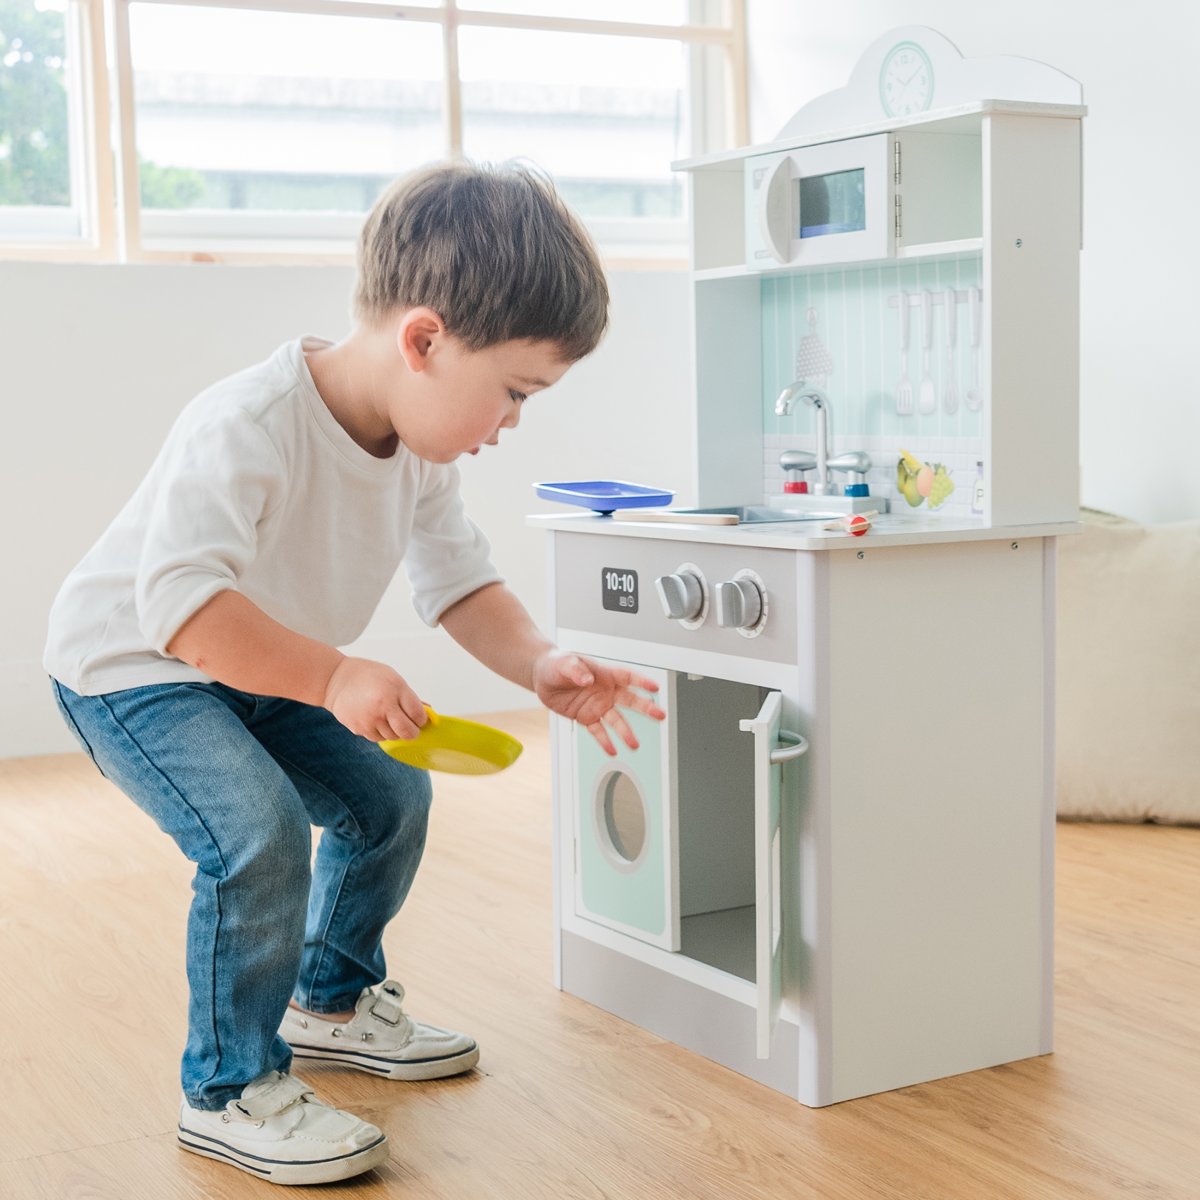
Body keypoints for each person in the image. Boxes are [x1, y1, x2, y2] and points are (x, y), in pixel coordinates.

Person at [44, 160, 665, 1187]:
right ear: (424, 341)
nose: (511, 422)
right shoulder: (249, 423)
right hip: (133, 669)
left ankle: (328, 1002)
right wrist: (335, 678)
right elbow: (183, 611)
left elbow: (460, 582)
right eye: (514, 392)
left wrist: (539, 661)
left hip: (263, 671)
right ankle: (228, 1088)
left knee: (389, 798)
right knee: (257, 833)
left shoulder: (418, 451)